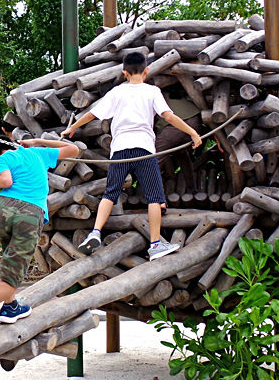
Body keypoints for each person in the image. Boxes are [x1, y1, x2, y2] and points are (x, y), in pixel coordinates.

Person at [64, 49, 202, 261]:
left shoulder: (117, 92)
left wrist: (72, 127)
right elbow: (168, 116)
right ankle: (155, 244)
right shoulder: (152, 91)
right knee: (155, 197)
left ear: (124, 73)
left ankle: (95, 232)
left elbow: (92, 114)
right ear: (146, 71)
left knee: (110, 193)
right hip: (144, 148)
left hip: (120, 149)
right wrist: (192, 132)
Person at [0, 136, 79, 343]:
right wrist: (38, 140)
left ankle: (10, 307)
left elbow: (4, 182)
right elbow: (73, 149)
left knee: (10, 259)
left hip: (2, 210)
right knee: (10, 281)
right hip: (28, 213)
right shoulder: (37, 153)